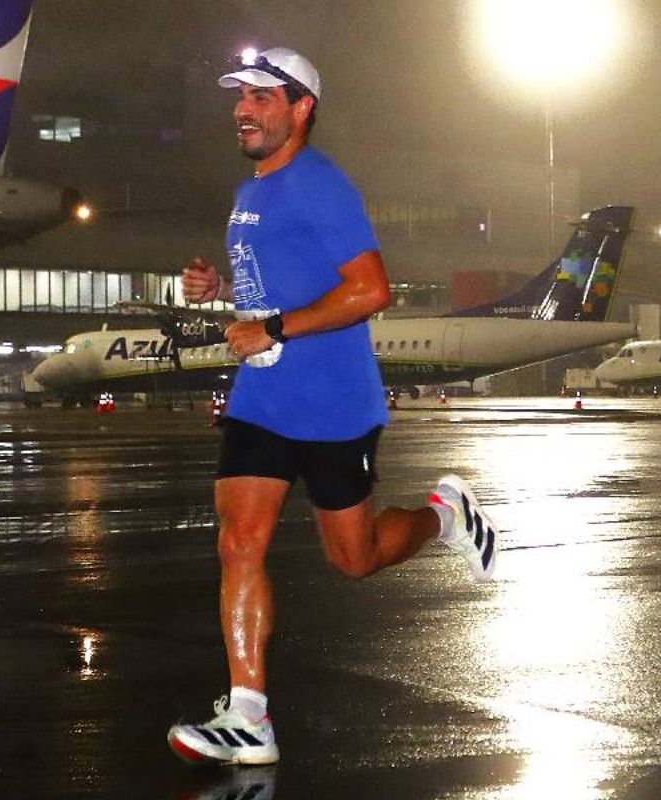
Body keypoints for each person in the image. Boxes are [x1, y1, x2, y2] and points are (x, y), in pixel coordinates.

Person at [165, 47, 499, 767]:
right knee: (237, 541)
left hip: (333, 405)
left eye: (261, 96)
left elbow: (370, 290)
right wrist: (221, 291)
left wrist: (275, 327)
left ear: (301, 107)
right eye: (240, 96)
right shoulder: (252, 189)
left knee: (357, 557)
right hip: (263, 398)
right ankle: (249, 714)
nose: (243, 108)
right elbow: (281, 287)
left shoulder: (321, 185)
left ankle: (446, 515)